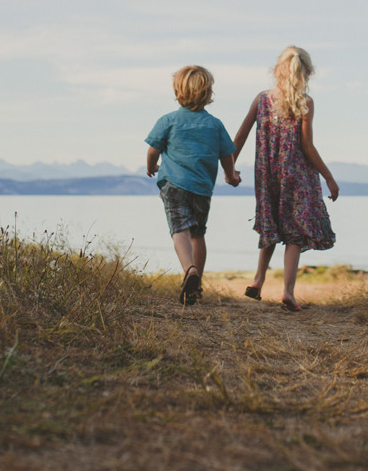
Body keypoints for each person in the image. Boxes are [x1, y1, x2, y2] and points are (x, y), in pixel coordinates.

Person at [231, 46, 339, 312]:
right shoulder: (305, 102)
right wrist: (329, 177)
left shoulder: (262, 99)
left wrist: (229, 167)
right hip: (298, 176)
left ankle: (258, 280)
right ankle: (288, 292)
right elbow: (307, 146)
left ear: (276, 70)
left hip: (267, 174)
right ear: (307, 73)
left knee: (271, 224)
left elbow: (241, 135)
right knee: (294, 235)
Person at [145, 65, 241, 305]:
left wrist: (151, 166)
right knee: (198, 234)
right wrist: (231, 176)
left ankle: (189, 270)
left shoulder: (168, 120)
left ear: (177, 90)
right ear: (208, 93)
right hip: (202, 188)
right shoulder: (215, 124)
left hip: (174, 185)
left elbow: (152, 150)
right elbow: (227, 155)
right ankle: (196, 286)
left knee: (180, 230)